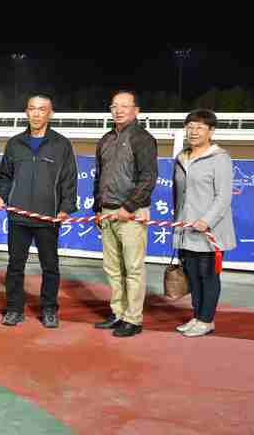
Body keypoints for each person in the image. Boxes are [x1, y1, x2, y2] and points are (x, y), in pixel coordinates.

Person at [0, 95, 77, 328]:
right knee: (15, 265)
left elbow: (69, 179)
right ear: (26, 112)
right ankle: (14, 309)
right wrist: (0, 195)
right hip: (18, 216)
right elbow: (5, 176)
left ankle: (49, 310)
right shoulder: (15, 143)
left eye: (42, 109)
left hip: (47, 217)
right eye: (32, 109)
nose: (37, 114)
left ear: (50, 114)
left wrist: (66, 207)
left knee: (50, 266)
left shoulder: (62, 145)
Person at [92, 90, 158, 337]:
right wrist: (97, 208)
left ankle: (133, 318)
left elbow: (148, 178)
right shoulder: (106, 139)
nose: (118, 110)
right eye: (114, 106)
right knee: (112, 268)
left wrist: (128, 207)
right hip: (107, 212)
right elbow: (99, 177)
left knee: (133, 268)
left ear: (136, 110)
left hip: (131, 213)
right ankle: (118, 312)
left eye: (124, 106)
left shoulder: (142, 138)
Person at [172, 109, 236, 337]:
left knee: (208, 276)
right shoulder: (181, 157)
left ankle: (207, 320)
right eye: (190, 126)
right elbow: (178, 193)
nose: (193, 131)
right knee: (192, 275)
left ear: (211, 131)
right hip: (186, 228)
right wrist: (178, 221)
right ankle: (197, 316)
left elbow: (224, 197)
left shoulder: (220, 158)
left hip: (210, 232)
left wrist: (206, 221)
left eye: (200, 127)